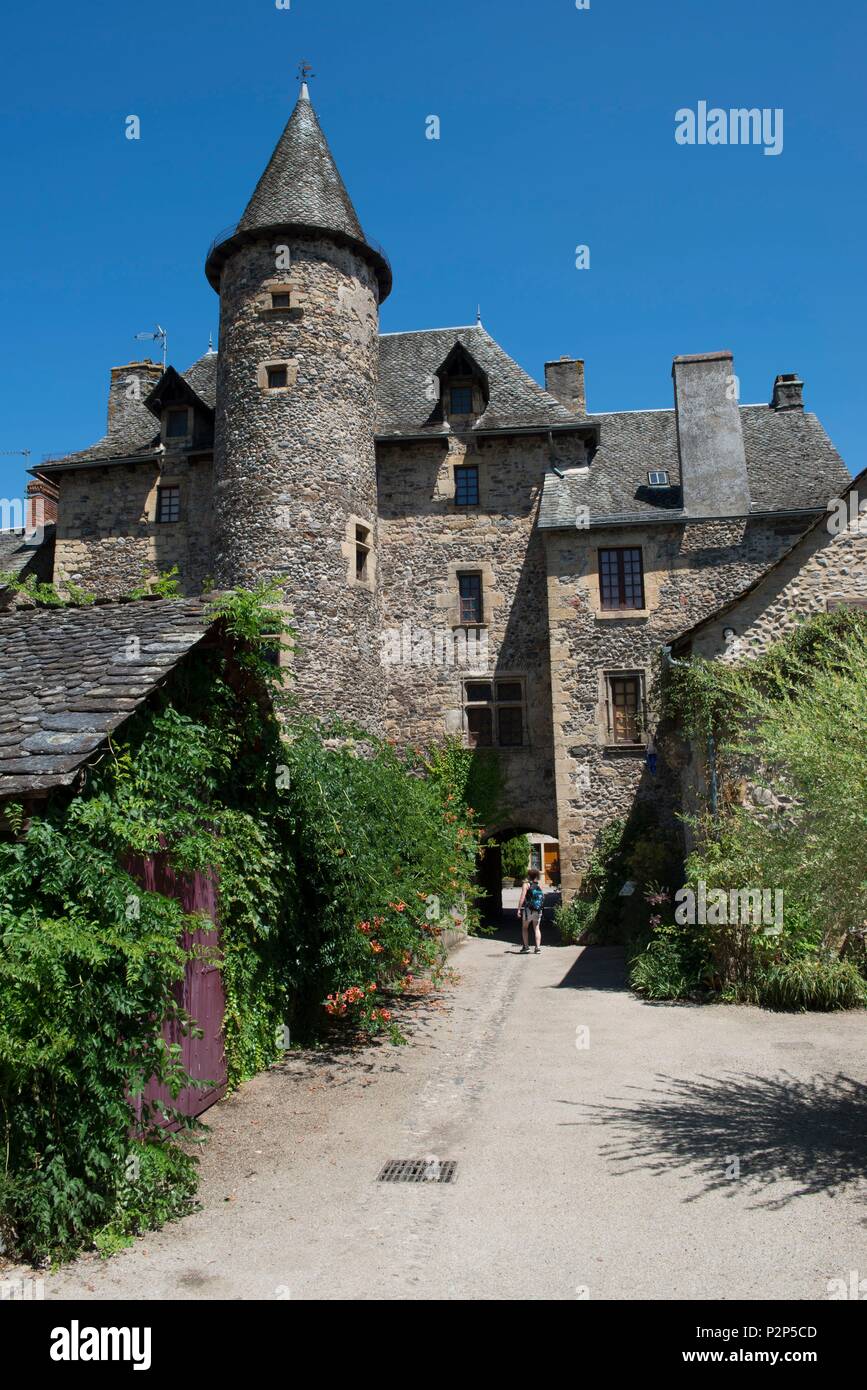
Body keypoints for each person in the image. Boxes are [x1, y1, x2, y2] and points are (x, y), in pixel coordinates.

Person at [517, 869, 545, 954]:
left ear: (529, 876)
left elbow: (522, 897)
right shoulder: (539, 885)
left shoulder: (526, 885)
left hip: (528, 909)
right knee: (536, 928)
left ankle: (526, 947)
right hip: (537, 909)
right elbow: (543, 897)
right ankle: (537, 948)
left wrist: (518, 909)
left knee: (525, 928)